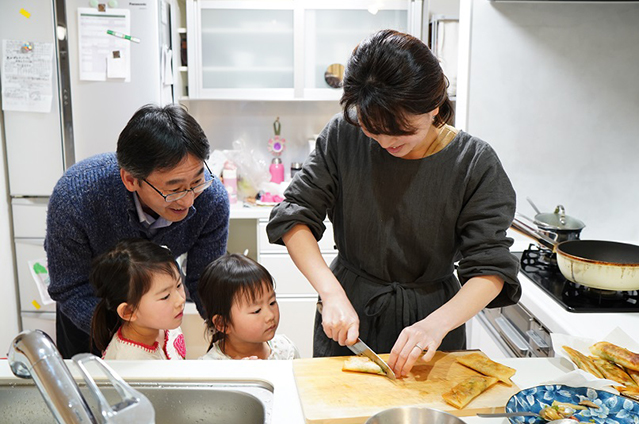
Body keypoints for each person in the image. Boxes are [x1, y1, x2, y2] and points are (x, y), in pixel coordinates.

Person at [266, 30, 521, 377]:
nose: (385, 142)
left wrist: (436, 324)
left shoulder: (474, 162)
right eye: (371, 129)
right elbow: (294, 216)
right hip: (350, 312)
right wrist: (331, 293)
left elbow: (490, 269)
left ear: (434, 106)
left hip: (434, 323)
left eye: (401, 131)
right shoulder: (343, 135)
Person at [45, 104, 230, 358]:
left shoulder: (211, 199)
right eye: (174, 189)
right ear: (131, 180)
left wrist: (229, 330)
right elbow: (70, 288)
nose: (188, 201)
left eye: (197, 181)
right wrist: (130, 336)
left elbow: (205, 282)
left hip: (156, 313)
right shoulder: (76, 196)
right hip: (91, 313)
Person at [90, 238, 186, 360]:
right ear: (128, 311)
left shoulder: (166, 323)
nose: (180, 300)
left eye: (178, 285)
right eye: (165, 296)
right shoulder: (125, 361)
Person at [198, 253, 300, 360]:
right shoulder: (210, 365)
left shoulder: (286, 350)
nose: (270, 316)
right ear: (222, 323)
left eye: (272, 302)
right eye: (257, 311)